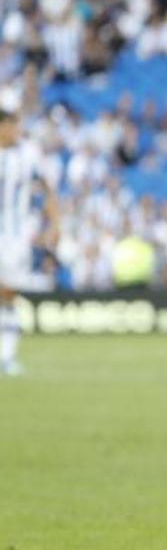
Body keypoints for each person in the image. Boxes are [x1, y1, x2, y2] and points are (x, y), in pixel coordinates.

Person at [0, 98, 59, 377]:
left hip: (14, 238)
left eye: (15, 121)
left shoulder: (28, 154)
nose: (13, 128)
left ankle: (7, 356)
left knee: (8, 295)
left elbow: (48, 190)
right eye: (8, 122)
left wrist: (54, 224)